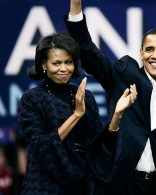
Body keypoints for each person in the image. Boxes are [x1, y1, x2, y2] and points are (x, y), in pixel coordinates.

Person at [61, 0, 156, 195]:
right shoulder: (125, 75)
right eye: (149, 49)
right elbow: (88, 51)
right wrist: (76, 3)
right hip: (122, 185)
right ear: (141, 53)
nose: (155, 55)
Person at [18, 32, 137, 195]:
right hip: (45, 185)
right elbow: (40, 147)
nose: (63, 68)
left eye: (68, 62)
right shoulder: (32, 98)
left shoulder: (85, 96)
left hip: (83, 185)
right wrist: (76, 115)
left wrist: (117, 115)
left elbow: (99, 147)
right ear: (44, 64)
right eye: (56, 63)